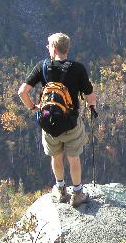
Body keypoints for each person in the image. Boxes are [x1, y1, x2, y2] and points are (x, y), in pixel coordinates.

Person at [18, 33, 97, 207]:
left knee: (56, 155)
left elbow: (22, 92)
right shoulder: (78, 69)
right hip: (71, 122)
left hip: (49, 122)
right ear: (66, 48)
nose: (47, 48)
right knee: (73, 157)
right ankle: (77, 193)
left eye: (48, 46)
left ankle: (60, 189)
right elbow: (90, 96)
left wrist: (33, 107)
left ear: (53, 48)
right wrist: (92, 108)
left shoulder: (43, 66)